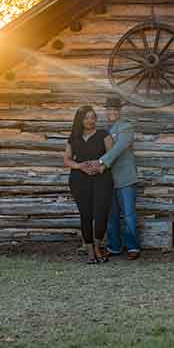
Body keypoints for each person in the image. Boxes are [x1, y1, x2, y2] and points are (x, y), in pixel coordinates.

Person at [90, 96, 140, 260]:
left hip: (125, 178)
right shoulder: (105, 130)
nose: (111, 112)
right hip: (109, 179)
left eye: (115, 109)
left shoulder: (126, 127)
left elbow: (118, 149)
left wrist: (101, 162)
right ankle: (115, 246)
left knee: (128, 214)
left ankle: (133, 247)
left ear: (120, 111)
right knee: (111, 215)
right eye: (109, 109)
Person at [63, 105, 114, 264]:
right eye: (86, 117)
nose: (90, 120)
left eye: (93, 117)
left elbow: (111, 156)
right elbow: (67, 159)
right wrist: (80, 167)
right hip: (79, 180)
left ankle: (98, 246)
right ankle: (90, 251)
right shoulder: (73, 138)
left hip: (102, 179)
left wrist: (100, 168)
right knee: (85, 215)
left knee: (100, 214)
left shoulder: (104, 135)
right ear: (80, 120)